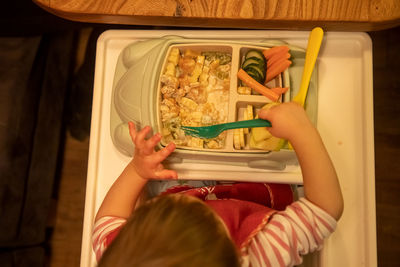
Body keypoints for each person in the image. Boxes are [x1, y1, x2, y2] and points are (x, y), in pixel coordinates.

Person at [92, 102, 344, 267]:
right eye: (200, 211)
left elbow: (108, 219)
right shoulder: (259, 255)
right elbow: (324, 209)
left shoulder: (120, 253)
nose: (186, 199)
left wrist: (137, 170)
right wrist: (301, 131)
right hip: (258, 200)